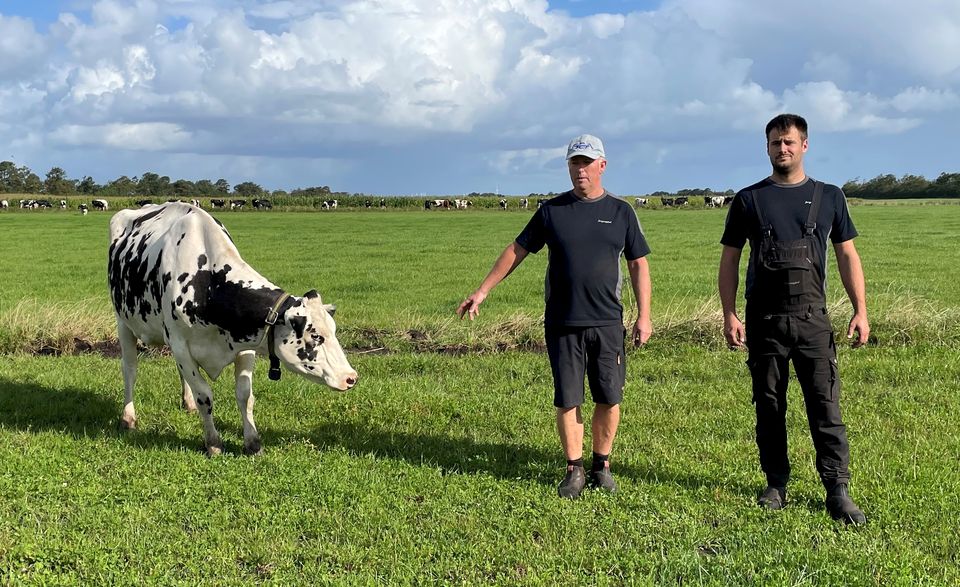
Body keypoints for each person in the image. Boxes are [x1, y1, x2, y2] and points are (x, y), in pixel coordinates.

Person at [457, 134, 652, 499]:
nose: (580, 169)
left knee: (609, 397)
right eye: (574, 163)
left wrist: (645, 316)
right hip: (562, 322)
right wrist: (482, 290)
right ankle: (574, 469)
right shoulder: (552, 211)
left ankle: (602, 465)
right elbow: (517, 250)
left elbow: (639, 265)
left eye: (586, 162)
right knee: (568, 398)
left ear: (602, 166)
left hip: (608, 322)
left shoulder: (621, 211)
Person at [718, 114, 869, 525]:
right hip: (764, 320)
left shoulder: (830, 197)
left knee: (825, 405)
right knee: (769, 405)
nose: (781, 149)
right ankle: (776, 483)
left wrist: (861, 309)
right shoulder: (749, 200)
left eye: (788, 142)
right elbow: (730, 258)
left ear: (804, 145)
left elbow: (847, 255)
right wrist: (730, 313)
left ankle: (837, 490)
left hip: (813, 320)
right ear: (766, 148)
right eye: (774, 143)